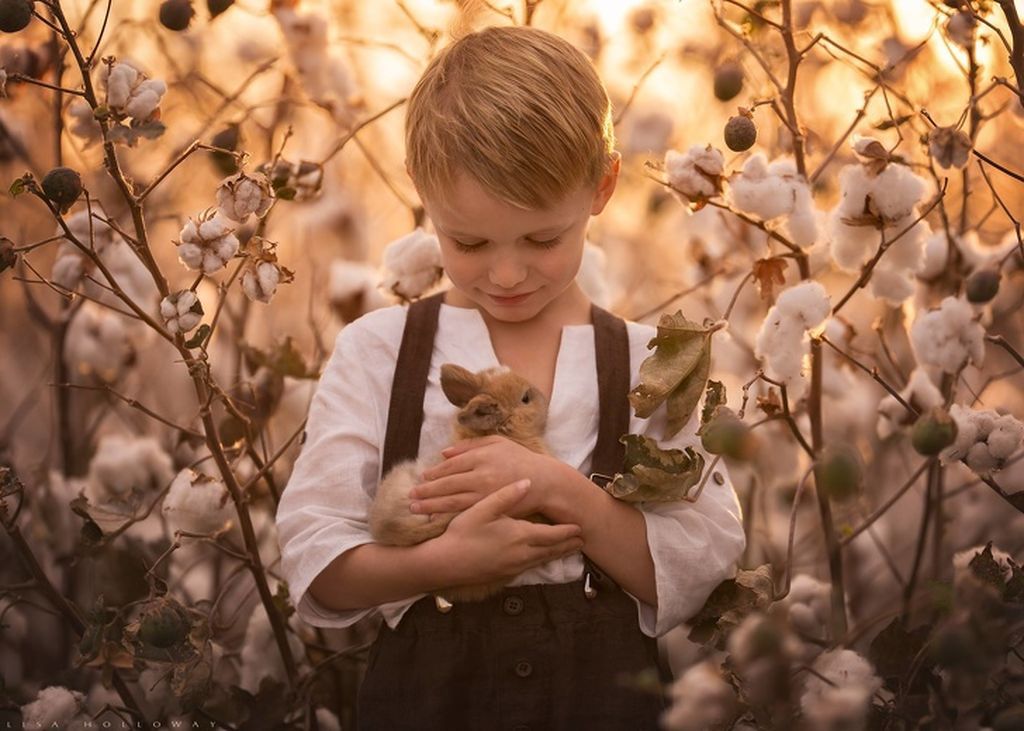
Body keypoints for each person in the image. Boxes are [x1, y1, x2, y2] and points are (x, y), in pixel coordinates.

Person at [276, 24, 745, 730]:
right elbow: (317, 556)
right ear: (422, 193)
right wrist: (442, 562)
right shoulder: (381, 351)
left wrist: (564, 492)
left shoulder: (653, 363)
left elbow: (701, 566)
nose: (505, 272)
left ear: (602, 186)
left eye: (541, 239)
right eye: (467, 241)